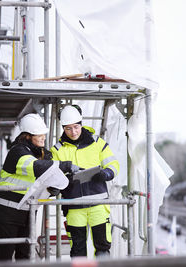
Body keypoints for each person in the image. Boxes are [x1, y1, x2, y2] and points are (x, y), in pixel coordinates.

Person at [0, 113, 78, 261]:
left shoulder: (42, 153)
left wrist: (52, 189)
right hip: (7, 213)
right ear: (27, 136)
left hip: (27, 212)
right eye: (39, 134)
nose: (43, 137)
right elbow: (36, 167)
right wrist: (65, 165)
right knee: (5, 255)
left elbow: (43, 180)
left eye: (44, 133)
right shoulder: (18, 152)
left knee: (25, 254)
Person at [50, 105, 120, 258]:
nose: (73, 132)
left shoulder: (97, 143)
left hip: (99, 206)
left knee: (102, 248)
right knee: (78, 251)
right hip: (74, 207)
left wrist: (106, 173)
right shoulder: (57, 149)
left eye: (76, 127)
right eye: (68, 128)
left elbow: (114, 164)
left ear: (81, 123)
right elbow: (52, 176)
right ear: (63, 127)